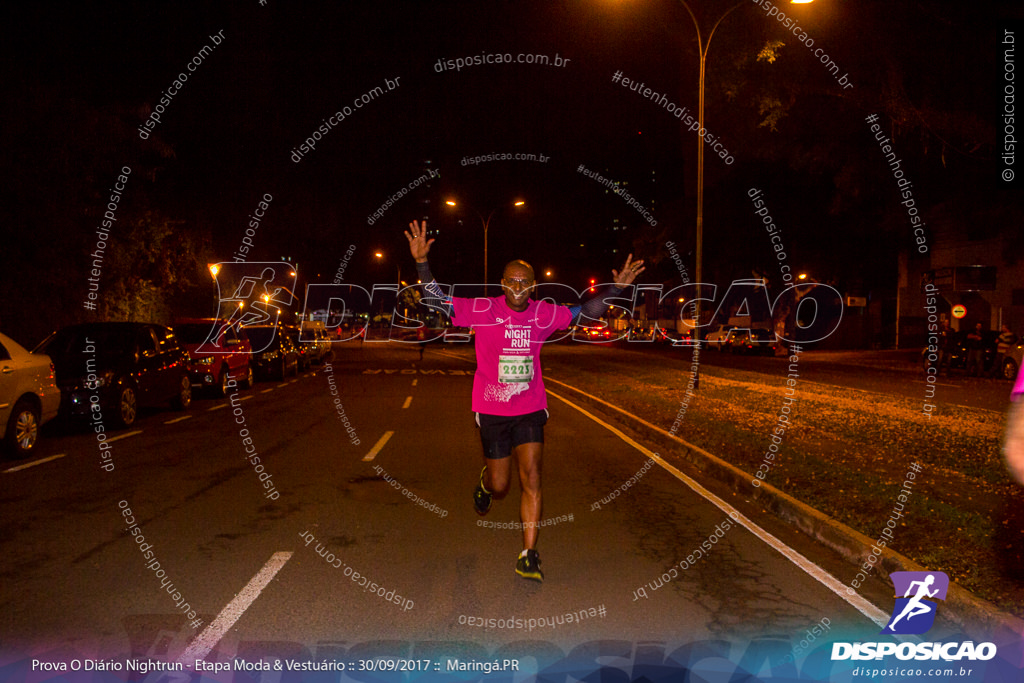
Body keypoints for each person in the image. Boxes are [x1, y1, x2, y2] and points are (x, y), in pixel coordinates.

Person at [405, 219, 644, 581]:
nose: (518, 287)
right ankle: (485, 482)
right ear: (503, 284)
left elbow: (583, 314)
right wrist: (422, 264)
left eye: (524, 282)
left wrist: (617, 290)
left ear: (533, 286)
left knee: (532, 476)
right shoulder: (483, 310)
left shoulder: (543, 314)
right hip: (491, 408)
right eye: (511, 281)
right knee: (502, 485)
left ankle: (528, 554)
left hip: (530, 406)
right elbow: (437, 300)